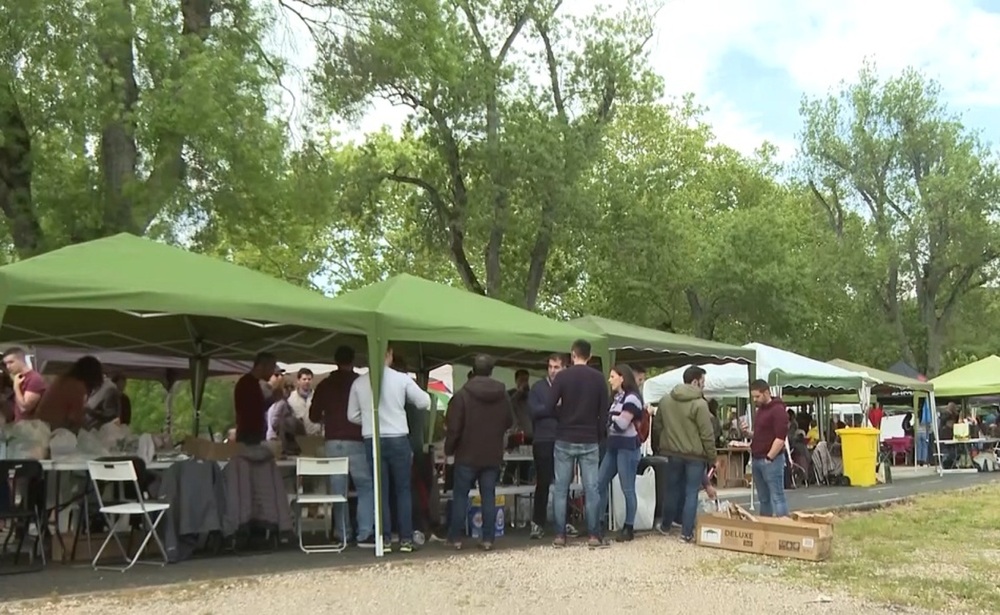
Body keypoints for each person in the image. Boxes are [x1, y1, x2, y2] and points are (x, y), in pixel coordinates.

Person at [348, 347, 430, 554]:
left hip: (372, 437)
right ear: (390, 354)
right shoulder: (401, 379)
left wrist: (369, 419)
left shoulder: (359, 382)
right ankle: (405, 539)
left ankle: (383, 539)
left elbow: (351, 415)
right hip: (398, 437)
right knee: (403, 489)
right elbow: (424, 401)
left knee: (380, 490)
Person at [444, 354, 513, 551]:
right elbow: (509, 420)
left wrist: (449, 449)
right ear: (491, 371)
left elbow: (454, 427)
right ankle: (488, 539)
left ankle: (455, 538)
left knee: (460, 496)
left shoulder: (462, 395)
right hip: (492, 453)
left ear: (473, 370)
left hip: (466, 454)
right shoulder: (503, 394)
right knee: (488, 496)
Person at [545, 339, 608, 548]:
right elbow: (603, 412)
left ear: (572, 355)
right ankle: (593, 535)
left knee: (561, 489)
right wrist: (598, 435)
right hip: (589, 438)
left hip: (564, 437)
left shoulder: (562, 377)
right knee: (592, 489)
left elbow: (548, 406)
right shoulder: (599, 379)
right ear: (589, 356)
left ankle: (560, 535)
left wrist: (562, 416)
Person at [311, 346, 376, 547]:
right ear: (353, 360)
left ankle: (342, 532)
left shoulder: (324, 385)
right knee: (365, 487)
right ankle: (365, 531)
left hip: (332, 440)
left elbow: (313, 415)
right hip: (356, 439)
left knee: (338, 492)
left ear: (335, 360)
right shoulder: (359, 383)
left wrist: (328, 417)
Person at [655, 365, 716, 542]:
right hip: (695, 455)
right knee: (691, 493)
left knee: (671, 489)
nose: (703, 386)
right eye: (703, 382)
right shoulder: (700, 404)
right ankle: (686, 533)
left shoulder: (665, 400)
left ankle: (666, 525)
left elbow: (658, 426)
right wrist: (711, 458)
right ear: (695, 381)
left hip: (672, 452)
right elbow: (707, 434)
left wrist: (660, 445)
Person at [596, 365, 645, 542]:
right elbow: (614, 421)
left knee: (627, 488)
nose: (610, 380)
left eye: (612, 376)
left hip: (627, 447)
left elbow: (621, 425)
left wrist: (608, 420)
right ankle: (598, 522)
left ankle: (629, 526)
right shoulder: (617, 398)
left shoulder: (632, 398)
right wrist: (612, 420)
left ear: (622, 378)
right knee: (599, 483)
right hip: (613, 445)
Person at [526, 353, 568, 540]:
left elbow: (571, 413)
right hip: (543, 439)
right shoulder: (538, 387)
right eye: (550, 366)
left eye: (556, 367)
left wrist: (549, 409)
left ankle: (564, 521)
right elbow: (534, 411)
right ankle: (538, 523)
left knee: (563, 483)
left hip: (563, 438)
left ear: (564, 368)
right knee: (543, 482)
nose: (552, 370)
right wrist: (555, 407)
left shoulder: (568, 387)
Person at [741, 379, 790, 517]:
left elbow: (780, 438)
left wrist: (770, 457)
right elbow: (761, 434)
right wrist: (748, 433)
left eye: (757, 396)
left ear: (767, 392)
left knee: (777, 497)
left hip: (771, 459)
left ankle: (783, 527)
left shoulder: (778, 410)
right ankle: (765, 527)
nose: (755, 400)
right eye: (753, 397)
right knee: (764, 499)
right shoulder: (761, 410)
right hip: (758, 457)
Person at [35, 356, 105, 433]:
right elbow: (76, 418)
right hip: (52, 428)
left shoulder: (62, 379)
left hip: (40, 425)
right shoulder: (77, 386)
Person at [234, 352, 278, 445]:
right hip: (249, 435)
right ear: (261, 366)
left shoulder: (252, 383)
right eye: (272, 367)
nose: (273, 371)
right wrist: (273, 398)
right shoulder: (247, 384)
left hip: (252, 433)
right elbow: (253, 410)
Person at [2, 347, 46, 422]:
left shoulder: (34, 378)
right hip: (20, 424)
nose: (8, 366)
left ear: (21, 360)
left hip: (30, 427)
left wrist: (16, 387)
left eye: (11, 362)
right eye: (6, 364)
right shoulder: (19, 377)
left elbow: (25, 408)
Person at [288, 367, 321, 436]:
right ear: (298, 380)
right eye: (304, 379)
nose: (307, 381)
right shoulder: (291, 398)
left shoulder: (318, 397)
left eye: (309, 379)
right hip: (298, 436)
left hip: (315, 435)